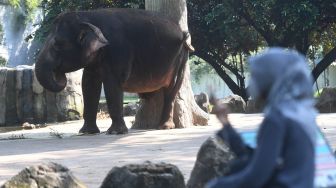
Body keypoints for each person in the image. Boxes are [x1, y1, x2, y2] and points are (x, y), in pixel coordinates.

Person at [207, 48, 318, 188]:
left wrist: (215, 185)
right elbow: (255, 158)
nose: (253, 83)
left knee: (235, 170)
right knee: (239, 166)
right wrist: (225, 123)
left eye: (257, 77)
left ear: (271, 80)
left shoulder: (278, 118)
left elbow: (256, 176)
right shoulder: (301, 112)